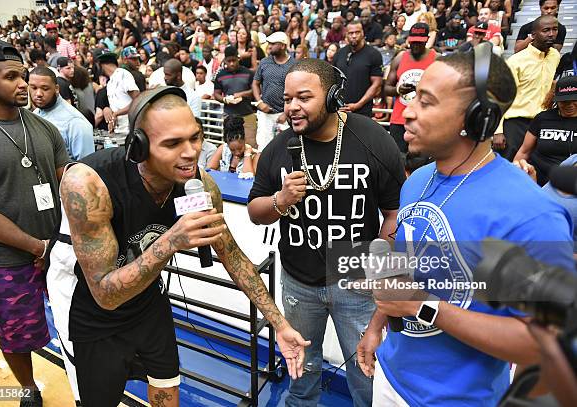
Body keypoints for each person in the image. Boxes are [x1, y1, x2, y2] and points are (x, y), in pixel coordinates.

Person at [52, 87, 309, 407]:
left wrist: (280, 324)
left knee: (167, 390)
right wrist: (172, 240)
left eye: (195, 138)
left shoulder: (197, 185)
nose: (190, 152)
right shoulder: (89, 184)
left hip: (148, 300)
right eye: (173, 143)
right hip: (95, 311)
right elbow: (105, 294)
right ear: (140, 147)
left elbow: (233, 257)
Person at [357, 44, 574, 407]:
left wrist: (422, 306)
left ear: (477, 119)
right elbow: (404, 270)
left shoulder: (529, 212)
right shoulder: (417, 180)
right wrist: (377, 325)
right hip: (390, 379)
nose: (406, 111)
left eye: (425, 102)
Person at [248, 58, 405, 407]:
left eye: (303, 97)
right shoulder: (280, 147)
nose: (292, 108)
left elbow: (394, 212)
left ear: (333, 96)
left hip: (355, 279)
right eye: (287, 99)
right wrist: (281, 199)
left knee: (368, 374)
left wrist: (379, 276)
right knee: (302, 373)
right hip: (299, 283)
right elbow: (255, 212)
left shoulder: (373, 140)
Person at [0, 37, 70, 407]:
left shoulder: (44, 129)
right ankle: (27, 388)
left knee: (78, 324)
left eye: (23, 75)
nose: (23, 84)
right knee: (16, 333)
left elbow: (69, 180)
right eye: (12, 77)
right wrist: (35, 246)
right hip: (11, 257)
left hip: (59, 251)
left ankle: (82, 379)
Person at [493, 15, 560, 161]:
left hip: (544, 121)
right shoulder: (516, 61)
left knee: (536, 168)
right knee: (510, 168)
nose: (551, 34)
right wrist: (497, 131)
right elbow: (500, 96)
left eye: (555, 29)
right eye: (546, 30)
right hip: (517, 123)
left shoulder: (555, 56)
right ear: (534, 35)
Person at [513, 75, 577, 185]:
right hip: (538, 180)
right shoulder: (542, 118)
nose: (569, 105)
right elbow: (524, 151)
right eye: (564, 101)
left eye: (574, 100)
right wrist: (513, 173)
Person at [386, 23, 437, 152]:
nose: (415, 45)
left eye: (419, 42)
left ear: (426, 39)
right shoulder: (400, 58)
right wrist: (398, 90)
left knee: (422, 161)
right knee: (398, 159)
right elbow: (386, 88)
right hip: (399, 119)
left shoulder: (436, 59)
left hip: (424, 119)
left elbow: (444, 92)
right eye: (413, 42)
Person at [29, 67, 95, 161]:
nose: (38, 93)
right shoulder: (35, 114)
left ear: (56, 89)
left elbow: (88, 166)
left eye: (45, 88)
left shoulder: (75, 123)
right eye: (34, 88)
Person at [253, 32, 296, 150]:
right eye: (269, 43)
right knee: (263, 148)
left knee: (284, 149)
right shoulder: (264, 62)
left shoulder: (294, 65)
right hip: (265, 113)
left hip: (286, 115)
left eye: (273, 43)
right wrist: (259, 102)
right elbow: (255, 83)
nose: (269, 46)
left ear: (282, 46)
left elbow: (296, 91)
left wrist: (286, 113)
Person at [332, 21, 383, 117]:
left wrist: (358, 105)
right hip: (339, 110)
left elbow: (376, 84)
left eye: (357, 32)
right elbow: (333, 80)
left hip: (362, 111)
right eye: (351, 33)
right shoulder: (339, 54)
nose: (354, 36)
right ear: (346, 34)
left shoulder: (373, 54)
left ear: (363, 33)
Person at [214, 46, 257, 147]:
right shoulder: (220, 75)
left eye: (234, 60)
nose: (232, 63)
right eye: (229, 61)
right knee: (230, 145)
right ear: (225, 61)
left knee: (250, 145)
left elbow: (255, 91)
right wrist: (225, 99)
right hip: (229, 116)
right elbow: (216, 94)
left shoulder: (248, 73)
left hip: (247, 114)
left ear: (238, 58)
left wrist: (242, 94)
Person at [97, 51, 140, 134]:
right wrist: (108, 110)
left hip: (130, 129)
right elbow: (118, 104)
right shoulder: (110, 82)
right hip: (119, 130)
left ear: (103, 65)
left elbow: (138, 100)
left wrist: (116, 113)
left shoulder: (123, 74)